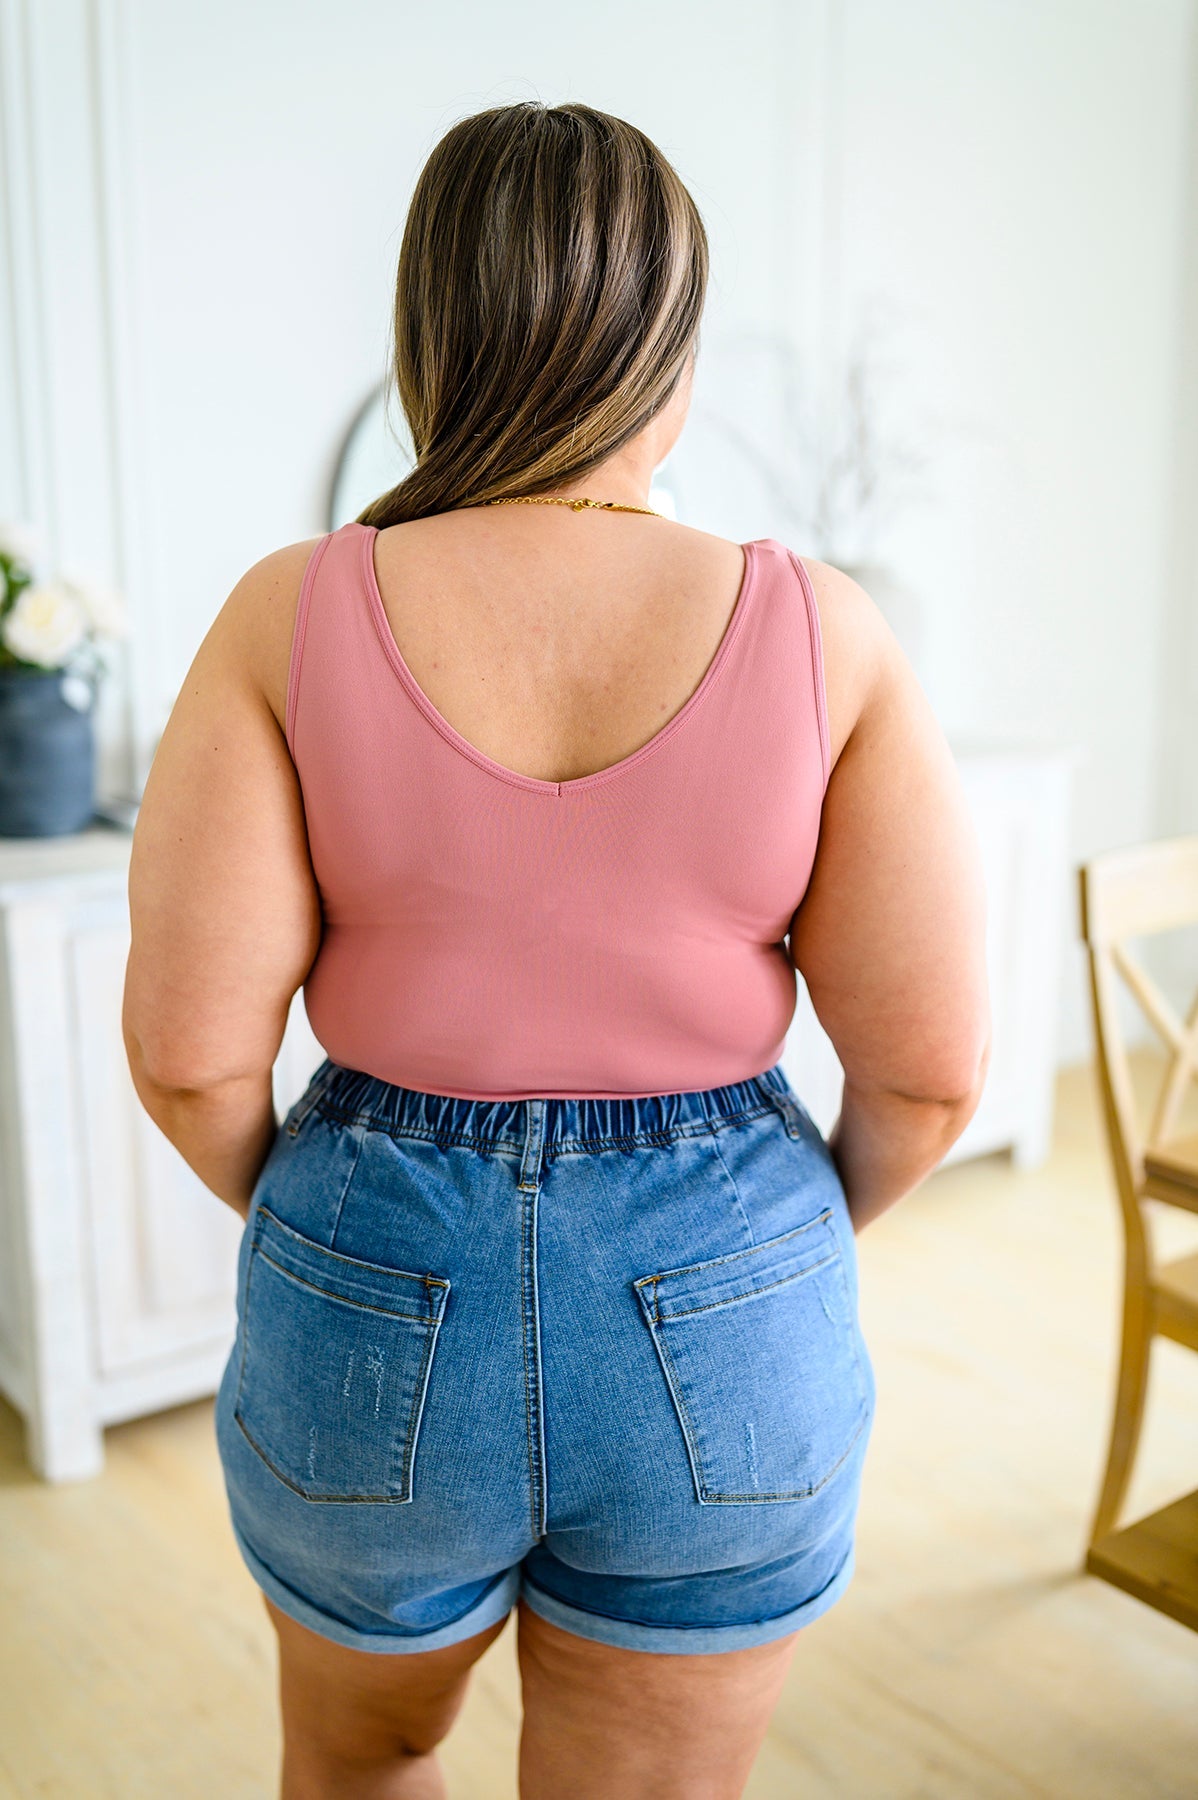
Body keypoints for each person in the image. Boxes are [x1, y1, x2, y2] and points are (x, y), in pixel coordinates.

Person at [123, 100, 990, 1800]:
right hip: (726, 1297)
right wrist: (766, 1239)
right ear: (670, 362)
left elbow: (187, 1054)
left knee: (361, 1762)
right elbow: (932, 1072)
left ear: (425, 348)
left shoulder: (288, 608)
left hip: (368, 1281)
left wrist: (341, 1228)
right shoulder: (824, 627)